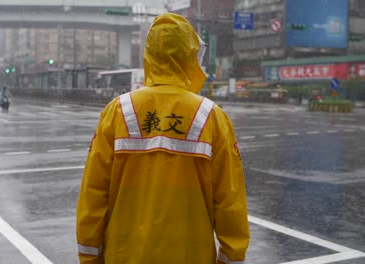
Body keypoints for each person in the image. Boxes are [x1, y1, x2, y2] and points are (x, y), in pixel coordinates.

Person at [76, 13, 250, 264]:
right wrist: (231, 258)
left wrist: (90, 257)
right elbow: (230, 202)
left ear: (149, 55)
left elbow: (93, 195)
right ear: (190, 56)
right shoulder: (211, 117)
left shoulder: (118, 111)